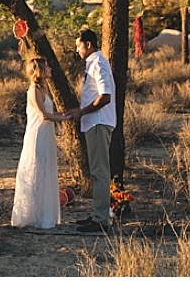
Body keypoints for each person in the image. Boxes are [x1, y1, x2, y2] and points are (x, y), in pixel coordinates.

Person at [11, 56, 69, 229]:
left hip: (47, 134)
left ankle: (42, 212)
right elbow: (43, 115)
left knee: (45, 171)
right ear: (40, 70)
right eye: (47, 67)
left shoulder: (44, 88)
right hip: (38, 135)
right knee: (37, 171)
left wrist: (65, 114)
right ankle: (32, 215)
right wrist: (66, 117)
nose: (51, 69)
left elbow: (50, 113)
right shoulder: (34, 90)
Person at [67, 29, 116, 234]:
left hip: (97, 123)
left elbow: (105, 96)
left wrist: (83, 111)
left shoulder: (98, 63)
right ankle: (97, 214)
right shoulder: (93, 64)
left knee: (100, 172)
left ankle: (102, 220)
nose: (77, 49)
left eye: (78, 45)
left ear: (88, 44)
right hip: (93, 123)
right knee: (97, 172)